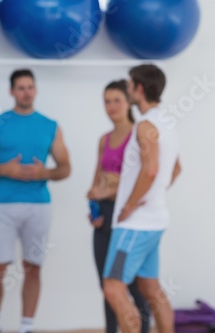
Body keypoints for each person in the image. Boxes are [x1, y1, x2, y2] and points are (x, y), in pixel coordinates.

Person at [0, 69, 71, 333]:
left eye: (30, 87)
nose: (26, 92)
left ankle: (26, 327)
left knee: (33, 268)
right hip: (1, 206)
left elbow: (65, 168)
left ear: (35, 90)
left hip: (38, 206)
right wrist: (3, 169)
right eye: (21, 87)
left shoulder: (50, 126)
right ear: (12, 91)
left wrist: (44, 173)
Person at [103, 65, 182, 333]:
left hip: (135, 225)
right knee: (151, 287)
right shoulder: (167, 123)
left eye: (129, 85)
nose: (126, 89)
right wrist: (156, 194)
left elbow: (150, 170)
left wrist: (129, 205)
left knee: (113, 287)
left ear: (139, 88)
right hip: (155, 222)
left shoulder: (146, 125)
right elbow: (176, 169)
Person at [87, 80, 150, 333]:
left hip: (128, 218)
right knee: (107, 285)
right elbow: (96, 183)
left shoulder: (139, 135)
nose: (111, 106)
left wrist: (111, 188)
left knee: (129, 285)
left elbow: (144, 179)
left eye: (117, 100)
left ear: (128, 102)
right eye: (107, 101)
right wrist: (94, 210)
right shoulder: (104, 140)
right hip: (104, 218)